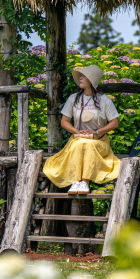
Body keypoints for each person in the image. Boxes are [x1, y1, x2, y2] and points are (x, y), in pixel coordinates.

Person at [42, 64, 120, 194]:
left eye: (84, 76)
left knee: (87, 144)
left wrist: (96, 132)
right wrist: (77, 132)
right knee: (79, 143)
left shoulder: (104, 100)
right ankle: (75, 181)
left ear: (92, 80)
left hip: (99, 141)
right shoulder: (74, 98)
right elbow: (64, 121)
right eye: (81, 76)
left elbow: (114, 123)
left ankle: (84, 182)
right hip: (77, 138)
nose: (80, 78)